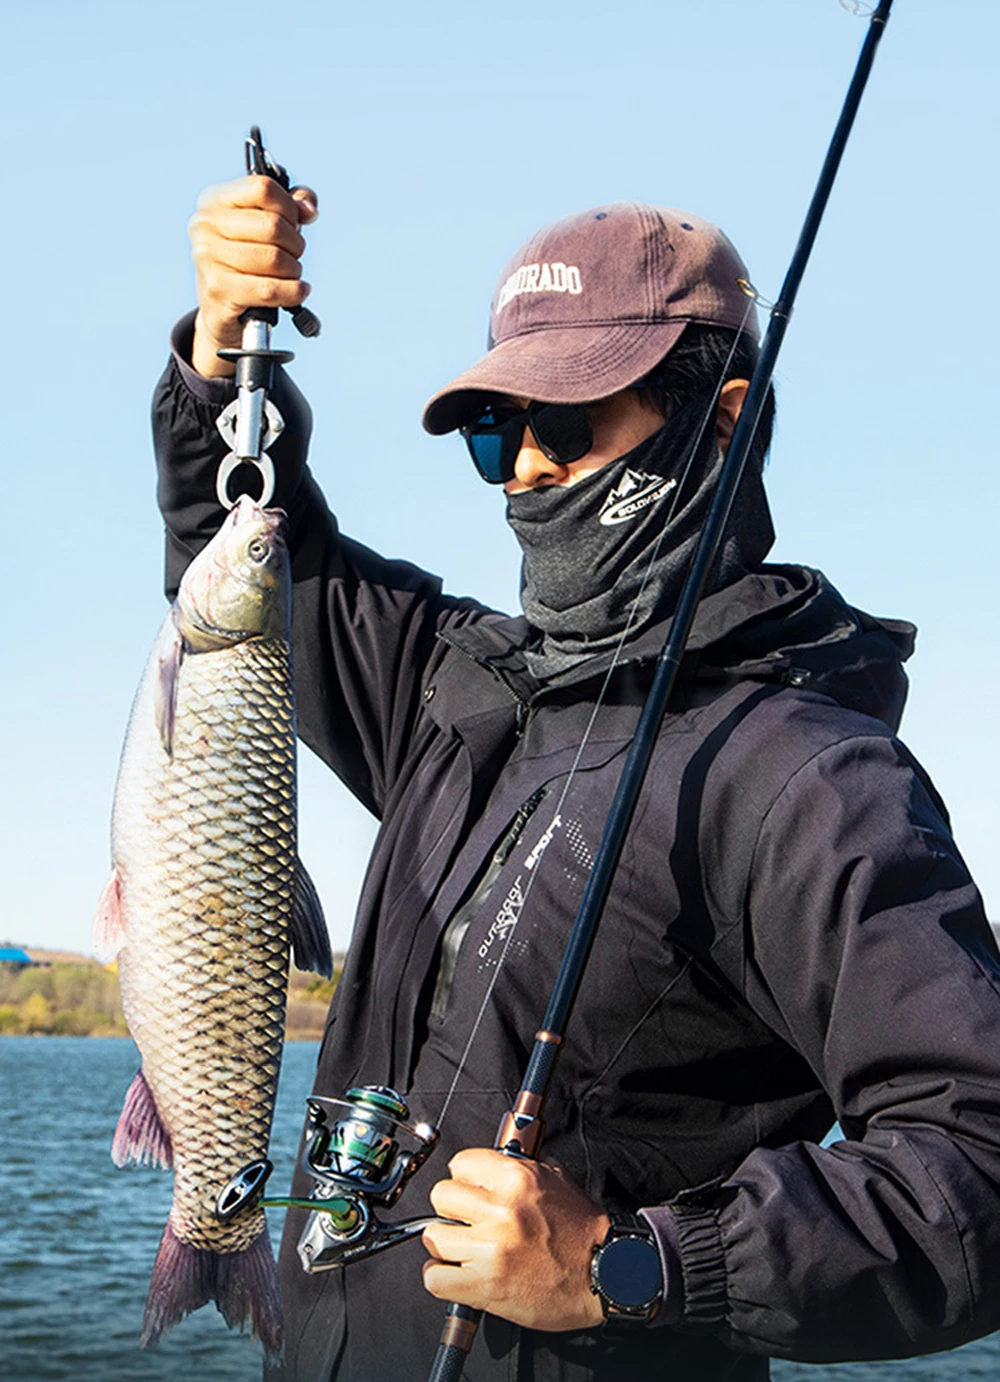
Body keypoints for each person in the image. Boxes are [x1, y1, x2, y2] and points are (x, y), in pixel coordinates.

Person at [153, 174, 1000, 1382]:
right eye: (500, 431)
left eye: (571, 417)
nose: (528, 469)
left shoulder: (809, 778)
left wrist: (632, 1265)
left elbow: (977, 1154)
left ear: (720, 417)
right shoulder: (452, 691)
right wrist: (222, 354)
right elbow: (241, 561)